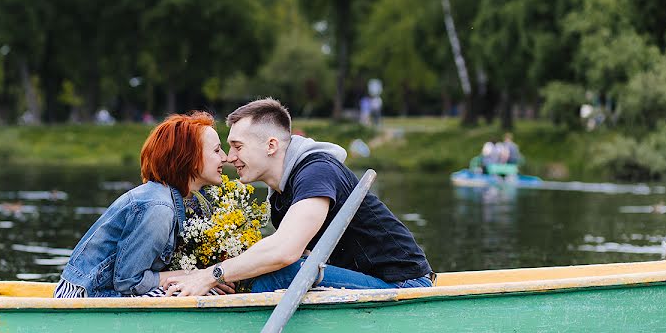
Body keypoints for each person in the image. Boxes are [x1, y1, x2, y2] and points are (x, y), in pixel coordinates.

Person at [164, 98, 433, 296]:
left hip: (402, 285)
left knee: (283, 271)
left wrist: (212, 275)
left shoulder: (316, 171)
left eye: (237, 146)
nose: (230, 158)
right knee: (267, 270)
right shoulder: (281, 197)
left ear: (271, 145)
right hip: (365, 282)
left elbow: (285, 251)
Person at [54, 112, 228, 298]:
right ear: (191, 159)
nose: (225, 158)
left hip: (108, 292)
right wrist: (193, 276)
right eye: (217, 151)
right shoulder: (159, 208)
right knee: (203, 291)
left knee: (205, 284)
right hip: (86, 297)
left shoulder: (188, 201)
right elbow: (129, 283)